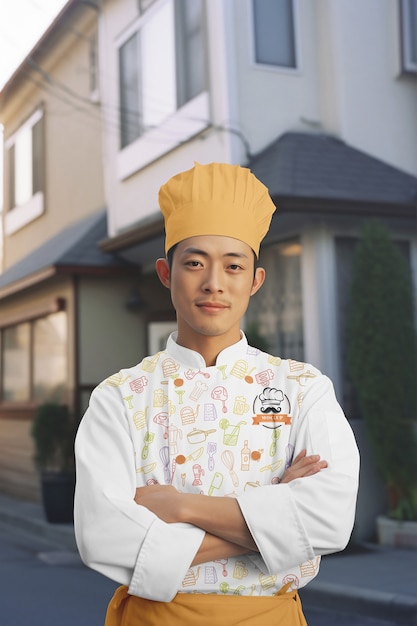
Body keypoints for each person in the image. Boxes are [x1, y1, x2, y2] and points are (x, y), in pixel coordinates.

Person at [74, 162, 360, 626]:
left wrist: (184, 506)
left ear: (255, 280)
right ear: (166, 273)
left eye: (233, 265)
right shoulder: (121, 397)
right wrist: (278, 516)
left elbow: (330, 520)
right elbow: (104, 539)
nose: (214, 282)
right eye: (194, 263)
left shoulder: (302, 388)